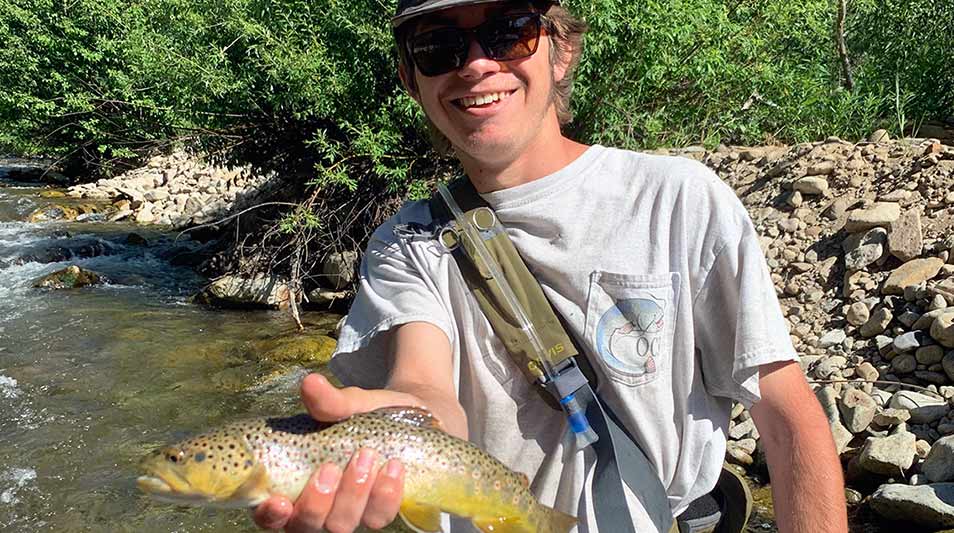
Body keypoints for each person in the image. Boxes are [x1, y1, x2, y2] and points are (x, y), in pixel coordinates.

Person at [253, 0, 849, 531]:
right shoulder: (406, 241)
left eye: (509, 32)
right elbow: (424, 387)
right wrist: (401, 426)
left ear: (560, 50)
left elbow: (788, 418)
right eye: (439, 47)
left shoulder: (681, 201)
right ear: (413, 81)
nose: (477, 64)